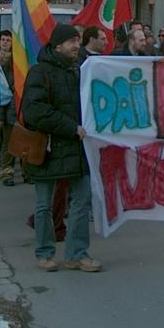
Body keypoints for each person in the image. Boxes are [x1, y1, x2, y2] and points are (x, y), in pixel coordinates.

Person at [22, 24, 102, 272]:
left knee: (81, 201)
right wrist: (70, 127)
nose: (77, 46)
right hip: (49, 149)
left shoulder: (78, 71)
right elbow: (34, 112)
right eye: (71, 42)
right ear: (57, 45)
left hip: (76, 150)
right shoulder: (39, 73)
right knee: (44, 205)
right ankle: (45, 253)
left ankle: (76, 254)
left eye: (78, 41)